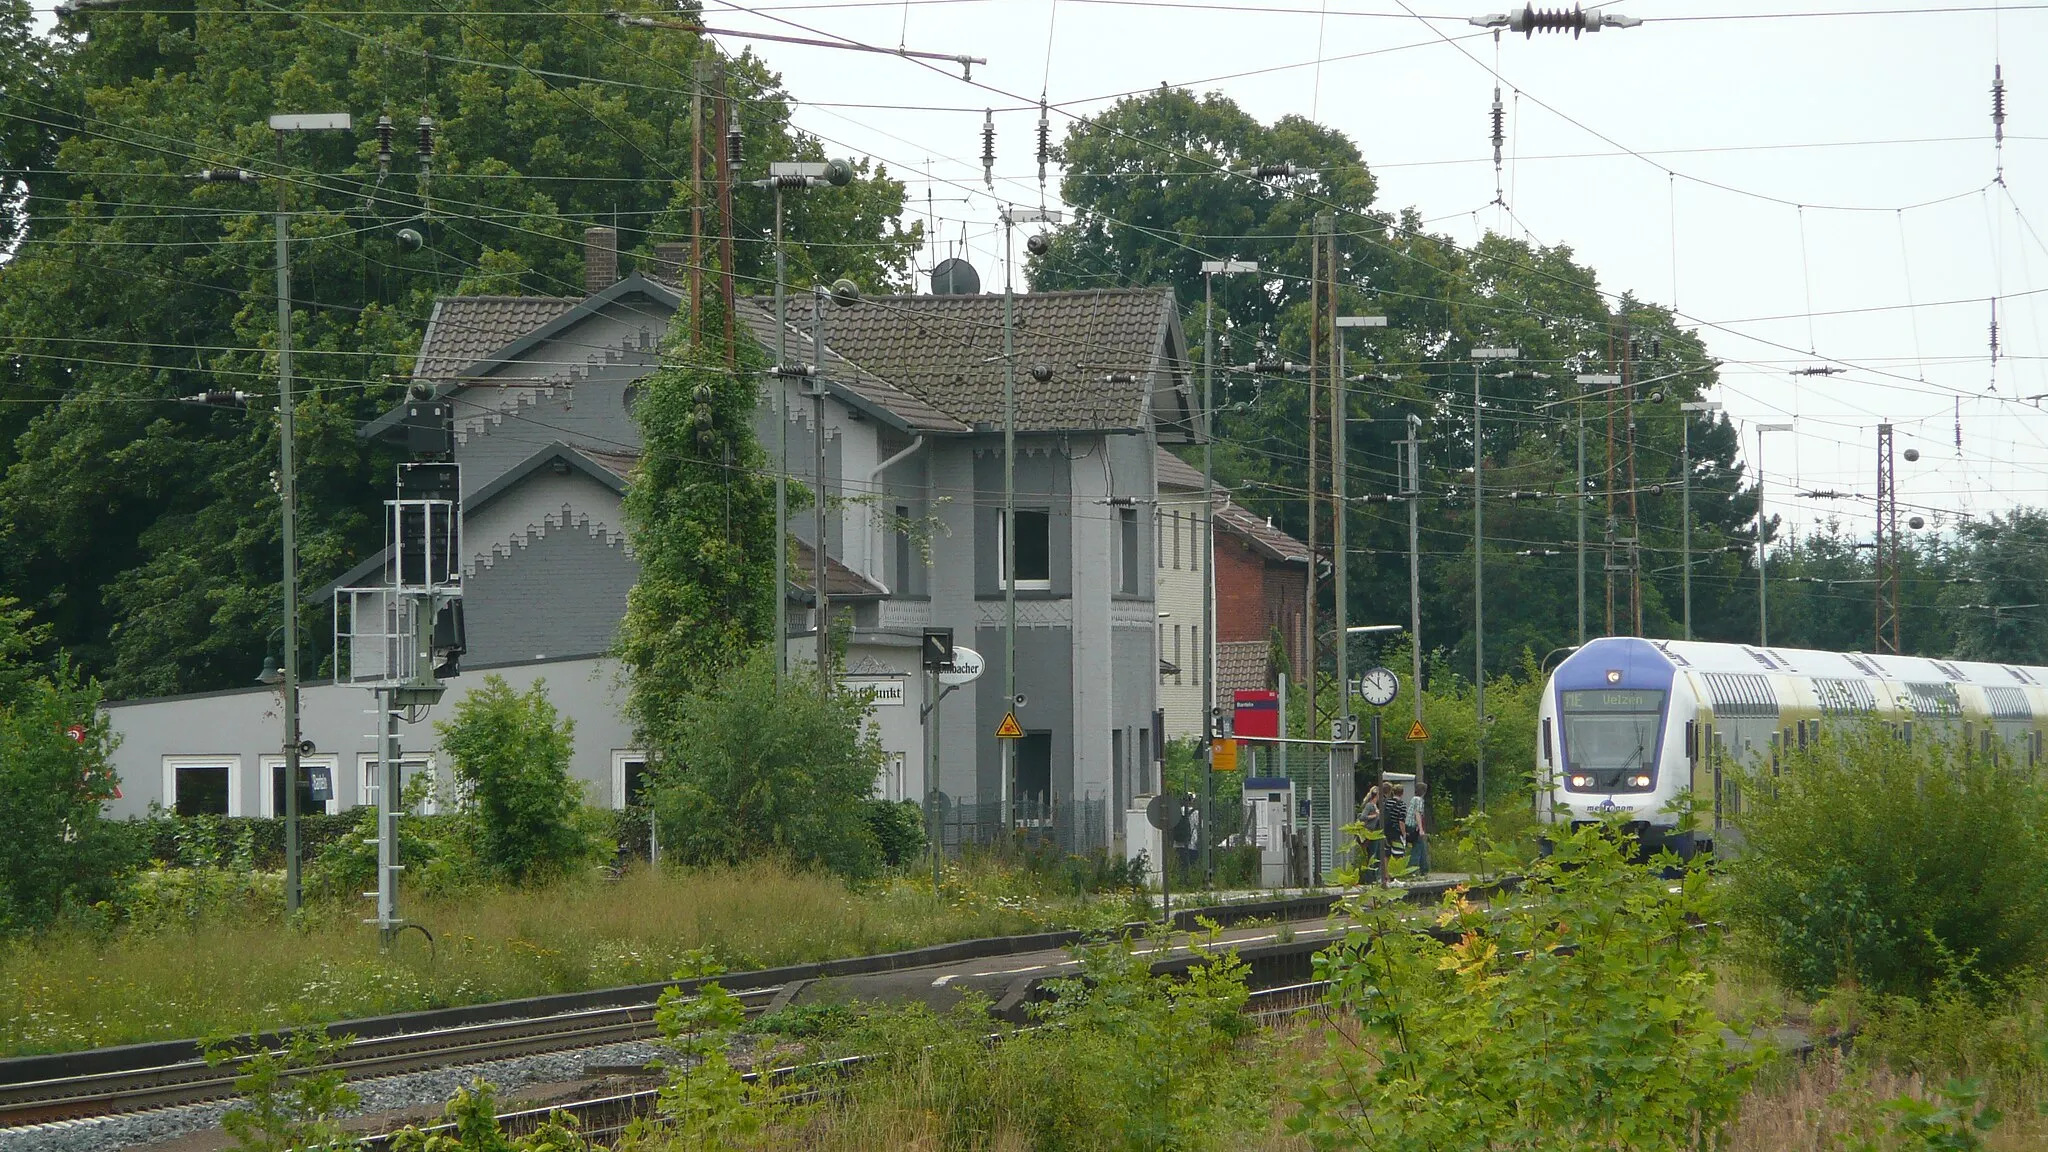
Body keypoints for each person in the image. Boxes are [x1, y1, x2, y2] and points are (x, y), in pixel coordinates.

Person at [1359, 784, 1385, 882]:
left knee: (1377, 854)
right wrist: (1374, 816)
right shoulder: (1369, 805)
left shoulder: (1375, 806)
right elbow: (1362, 817)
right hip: (1371, 833)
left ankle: (1375, 875)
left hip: (1376, 832)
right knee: (1372, 854)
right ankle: (1369, 877)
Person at [1406, 782, 1430, 876]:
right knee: (1417, 847)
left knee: (1421, 846)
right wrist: (1420, 829)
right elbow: (1417, 814)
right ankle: (1412, 870)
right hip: (1414, 826)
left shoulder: (1413, 799)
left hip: (1408, 825)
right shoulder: (1419, 800)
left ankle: (1424, 868)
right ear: (1424, 791)